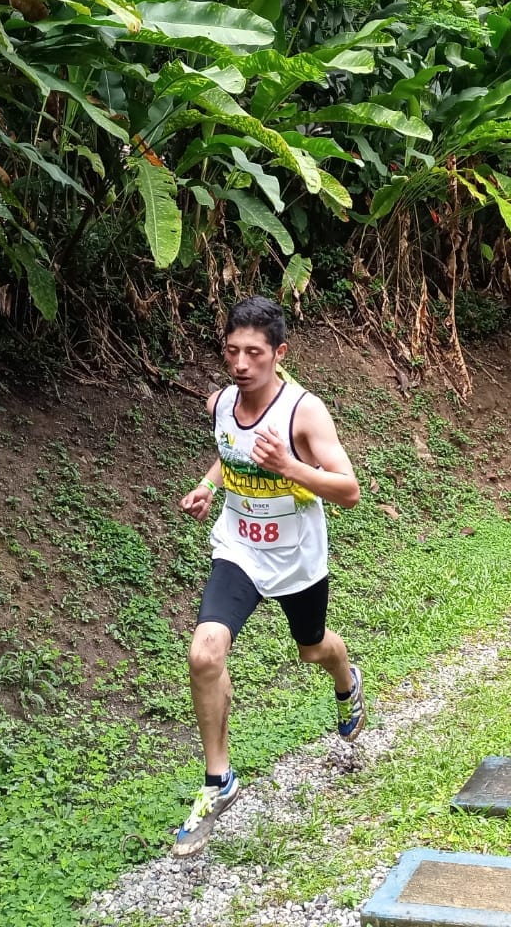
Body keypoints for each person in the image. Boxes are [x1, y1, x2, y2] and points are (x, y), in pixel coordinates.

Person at [172, 296, 366, 856]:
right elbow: (231, 452)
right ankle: (219, 780)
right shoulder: (220, 404)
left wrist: (290, 467)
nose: (240, 363)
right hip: (239, 549)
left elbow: (349, 490)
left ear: (279, 353)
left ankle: (346, 679)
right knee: (205, 653)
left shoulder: (304, 412)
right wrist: (208, 486)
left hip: (297, 558)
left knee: (312, 649)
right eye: (231, 350)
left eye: (254, 352)